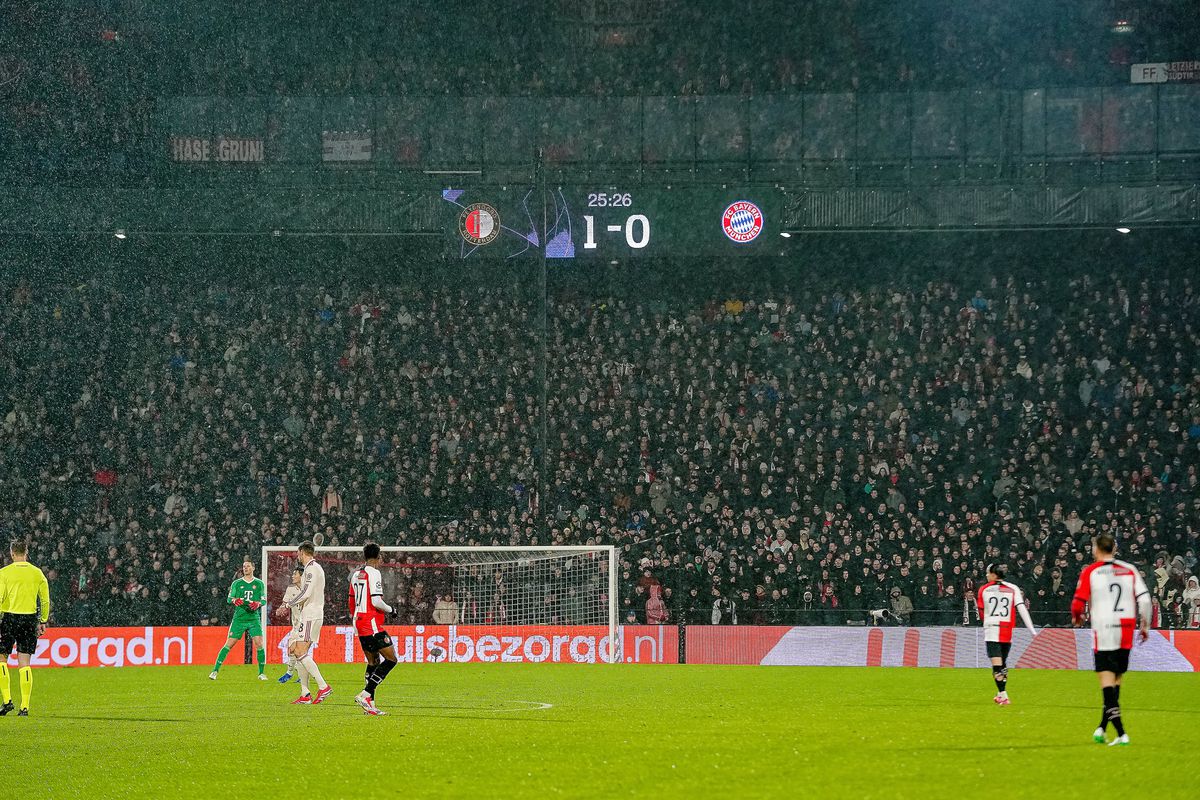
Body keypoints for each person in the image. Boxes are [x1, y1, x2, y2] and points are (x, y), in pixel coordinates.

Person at [1071, 533, 1150, 746]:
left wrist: (1078, 619)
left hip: (1104, 630)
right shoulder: (1130, 569)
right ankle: (1101, 728)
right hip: (1125, 630)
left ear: (1096, 549)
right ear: (1114, 549)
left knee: (1107, 685)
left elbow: (1077, 604)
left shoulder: (1090, 571)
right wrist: (1145, 625)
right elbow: (1145, 600)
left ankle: (1122, 733)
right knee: (1116, 683)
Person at [0, 540, 50, 716]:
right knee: (24, 663)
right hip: (29, 619)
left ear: (12, 553)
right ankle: (25, 707)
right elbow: (44, 599)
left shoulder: (4, 573)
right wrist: (43, 620)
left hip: (9, 617)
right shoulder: (37, 573)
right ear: (26, 552)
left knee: (1, 659)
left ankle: (7, 701)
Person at [976, 564, 1036, 706]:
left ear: (994, 575)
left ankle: (1003, 695)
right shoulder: (1013, 588)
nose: (986, 575)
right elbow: (1021, 608)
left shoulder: (983, 589)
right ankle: (1000, 693)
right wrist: (1032, 629)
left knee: (997, 666)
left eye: (987, 573)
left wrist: (987, 623)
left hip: (991, 631)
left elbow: (981, 611)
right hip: (1007, 631)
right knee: (1002, 664)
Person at [350, 543, 399, 716]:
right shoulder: (374, 572)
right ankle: (366, 694)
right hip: (371, 623)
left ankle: (369, 705)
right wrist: (392, 610)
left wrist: (356, 618)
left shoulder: (356, 574)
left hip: (359, 622)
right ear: (378, 557)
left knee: (373, 663)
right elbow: (376, 601)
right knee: (391, 660)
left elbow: (351, 600)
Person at [286, 542, 331, 705]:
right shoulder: (313, 568)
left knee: (299, 651)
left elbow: (307, 592)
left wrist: (288, 603)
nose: (297, 556)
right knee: (295, 650)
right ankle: (305, 694)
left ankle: (323, 686)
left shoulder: (312, 568)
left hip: (311, 615)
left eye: (298, 553)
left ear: (302, 552)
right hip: (308, 614)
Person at [209, 558, 268, 681]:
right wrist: (235, 600)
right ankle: (215, 671)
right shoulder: (236, 583)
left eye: (248, 566)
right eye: (244, 566)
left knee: (259, 643)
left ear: (253, 568)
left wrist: (258, 604)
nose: (245, 568)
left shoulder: (259, 583)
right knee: (229, 644)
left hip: (253, 618)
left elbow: (263, 600)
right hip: (239, 618)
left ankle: (261, 673)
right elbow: (229, 599)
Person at [274, 566, 304, 683]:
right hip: (296, 625)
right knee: (292, 650)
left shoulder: (308, 589)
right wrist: (281, 609)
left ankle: (295, 674)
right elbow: (285, 603)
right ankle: (292, 673)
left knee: (297, 650)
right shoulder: (290, 589)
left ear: (301, 576)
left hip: (306, 625)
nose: (292, 576)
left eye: (295, 574)